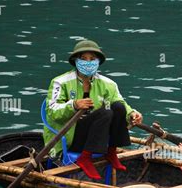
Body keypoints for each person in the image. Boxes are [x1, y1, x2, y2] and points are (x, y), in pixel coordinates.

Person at [43, 39, 143, 180]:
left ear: (98, 62)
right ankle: (85, 157)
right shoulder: (60, 82)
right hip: (70, 137)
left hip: (98, 138)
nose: (88, 62)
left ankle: (111, 151)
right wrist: (74, 105)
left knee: (118, 107)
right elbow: (52, 112)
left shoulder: (108, 84)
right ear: (76, 61)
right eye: (83, 59)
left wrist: (132, 114)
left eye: (92, 59)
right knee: (106, 112)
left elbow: (120, 102)